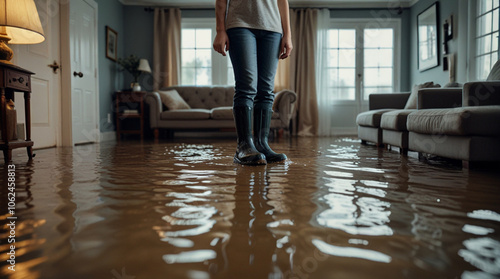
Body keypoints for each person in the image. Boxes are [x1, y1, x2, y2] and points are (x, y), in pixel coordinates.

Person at [213, 0, 293, 166]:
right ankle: (244, 146)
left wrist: (287, 34)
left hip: (273, 28)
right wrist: (220, 30)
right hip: (240, 24)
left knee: (266, 90)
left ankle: (261, 144)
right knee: (247, 86)